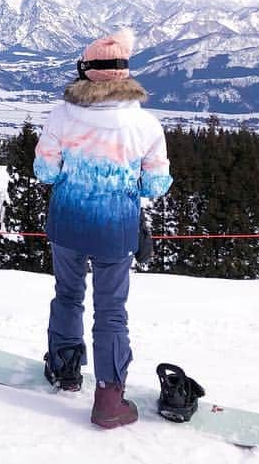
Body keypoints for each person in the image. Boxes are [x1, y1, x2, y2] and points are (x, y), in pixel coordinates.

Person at [33, 27, 172, 429]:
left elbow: (44, 171)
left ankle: (64, 368)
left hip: (68, 222)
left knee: (67, 295)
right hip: (116, 228)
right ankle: (109, 398)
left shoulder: (62, 115)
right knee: (111, 311)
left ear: (86, 72)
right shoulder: (145, 125)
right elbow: (156, 185)